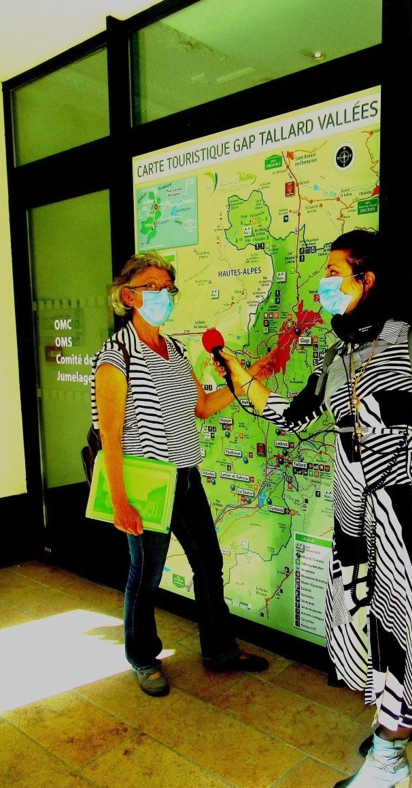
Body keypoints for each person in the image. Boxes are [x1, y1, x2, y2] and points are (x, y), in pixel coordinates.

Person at [220, 229, 412, 788]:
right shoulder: (334, 354)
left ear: (367, 280)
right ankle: (394, 723)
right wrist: (240, 376)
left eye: (333, 272)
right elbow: (294, 416)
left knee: (401, 629)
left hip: (404, 509)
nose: (324, 284)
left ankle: (390, 758)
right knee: (367, 625)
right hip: (353, 511)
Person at [90, 251, 269, 697]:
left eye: (168, 288)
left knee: (209, 565)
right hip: (148, 485)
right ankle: (143, 658)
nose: (163, 295)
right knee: (146, 576)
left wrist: (246, 379)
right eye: (152, 286)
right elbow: (110, 435)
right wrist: (121, 502)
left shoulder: (174, 349)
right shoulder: (114, 357)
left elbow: (202, 407)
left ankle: (219, 651)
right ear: (128, 296)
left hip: (186, 477)